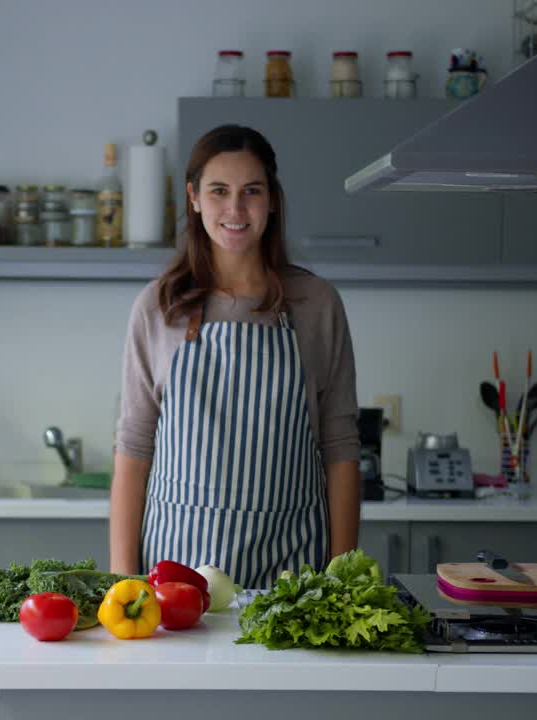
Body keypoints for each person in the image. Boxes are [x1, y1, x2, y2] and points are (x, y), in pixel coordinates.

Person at [110, 124, 361, 589]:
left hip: (290, 570)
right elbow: (134, 448)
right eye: (219, 191)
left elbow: (341, 448)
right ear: (194, 198)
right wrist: (123, 582)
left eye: (252, 191)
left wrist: (340, 582)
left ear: (273, 200)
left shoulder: (316, 303)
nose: (235, 209)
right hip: (176, 575)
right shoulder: (158, 306)